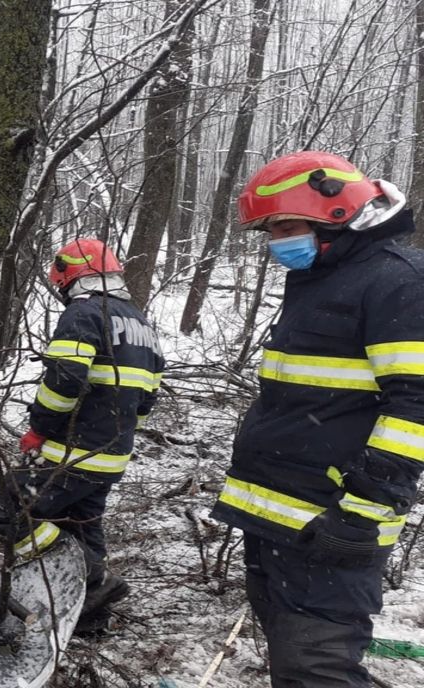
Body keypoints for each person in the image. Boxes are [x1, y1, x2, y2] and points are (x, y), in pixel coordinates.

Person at [209, 151, 424, 687]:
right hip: (280, 517)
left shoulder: (399, 283)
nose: (276, 241)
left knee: (315, 669)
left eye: (285, 225)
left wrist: (362, 511)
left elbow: (417, 407)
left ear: (333, 212)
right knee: (293, 657)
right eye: (270, 230)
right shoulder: (322, 281)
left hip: (334, 521)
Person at [0, 237, 164, 634]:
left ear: (70, 278)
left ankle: (80, 577)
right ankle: (90, 618)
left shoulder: (84, 314)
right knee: (81, 522)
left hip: (75, 453)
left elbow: (65, 380)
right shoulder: (140, 322)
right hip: (113, 454)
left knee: (3, 508)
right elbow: (148, 398)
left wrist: (39, 430)